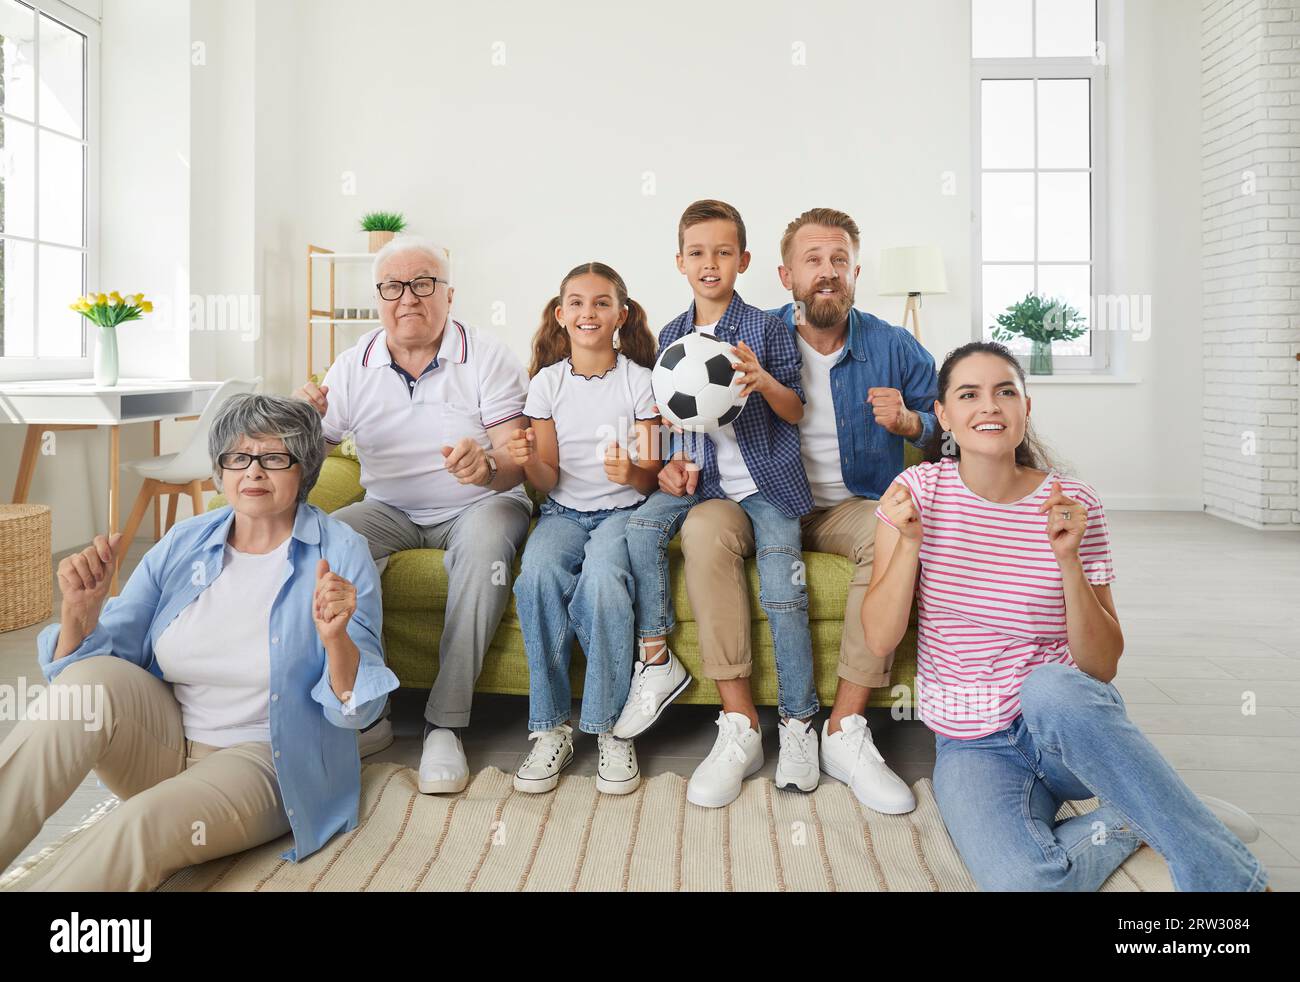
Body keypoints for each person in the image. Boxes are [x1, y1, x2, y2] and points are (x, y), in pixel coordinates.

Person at [868, 340, 1268, 891]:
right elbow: (878, 637)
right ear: (942, 414)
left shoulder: (1072, 502)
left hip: (1062, 729)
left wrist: (1069, 561)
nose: (989, 406)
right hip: (970, 742)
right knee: (1024, 884)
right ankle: (1160, 811)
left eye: (1005, 391)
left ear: (1025, 408)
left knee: (1052, 687)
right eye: (969, 394)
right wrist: (910, 546)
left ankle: (1228, 879)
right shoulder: (915, 493)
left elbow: (1100, 666)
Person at [0, 394, 398, 890]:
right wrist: (80, 614)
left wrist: (336, 640)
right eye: (238, 457)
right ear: (221, 469)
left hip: (265, 764)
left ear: (304, 470)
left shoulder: (340, 551)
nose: (253, 471)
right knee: (86, 685)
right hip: (163, 746)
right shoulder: (185, 541)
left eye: (274, 458)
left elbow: (359, 711)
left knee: (137, 824)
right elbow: (99, 662)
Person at [665, 207, 939, 814]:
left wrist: (912, 422)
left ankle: (844, 731)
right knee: (704, 528)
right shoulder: (754, 338)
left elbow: (952, 425)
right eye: (813, 260)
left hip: (848, 507)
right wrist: (671, 461)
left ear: (857, 271)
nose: (828, 272)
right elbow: (688, 419)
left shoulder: (893, 345)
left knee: (893, 528)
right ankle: (738, 726)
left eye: (839, 260)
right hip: (762, 499)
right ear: (786, 275)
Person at [294, 235, 533, 795]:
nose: (409, 298)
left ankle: (444, 723)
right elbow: (308, 462)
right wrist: (302, 425)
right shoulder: (353, 364)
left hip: (480, 504)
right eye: (393, 287)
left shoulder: (488, 356)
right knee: (328, 546)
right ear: (378, 298)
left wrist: (487, 468)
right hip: (389, 507)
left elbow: (517, 464)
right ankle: (369, 711)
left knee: (485, 546)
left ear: (449, 295)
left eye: (424, 284)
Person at [613, 199, 820, 809]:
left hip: (770, 486)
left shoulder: (767, 328)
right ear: (680, 262)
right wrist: (673, 465)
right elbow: (676, 421)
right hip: (709, 491)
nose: (711, 264)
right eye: (698, 253)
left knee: (784, 586)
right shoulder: (673, 337)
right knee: (646, 529)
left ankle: (799, 722)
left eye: (724, 252)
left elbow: (797, 410)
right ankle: (736, 723)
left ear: (744, 260)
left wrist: (764, 382)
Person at [506, 262, 663, 796]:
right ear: (560, 314)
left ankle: (609, 729)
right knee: (536, 578)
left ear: (621, 314)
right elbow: (547, 479)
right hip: (562, 512)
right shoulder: (547, 384)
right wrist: (527, 460)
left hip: (622, 513)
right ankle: (551, 728)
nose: (587, 312)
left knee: (601, 584)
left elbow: (649, 479)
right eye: (576, 302)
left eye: (600, 302)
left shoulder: (642, 381)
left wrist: (632, 472)